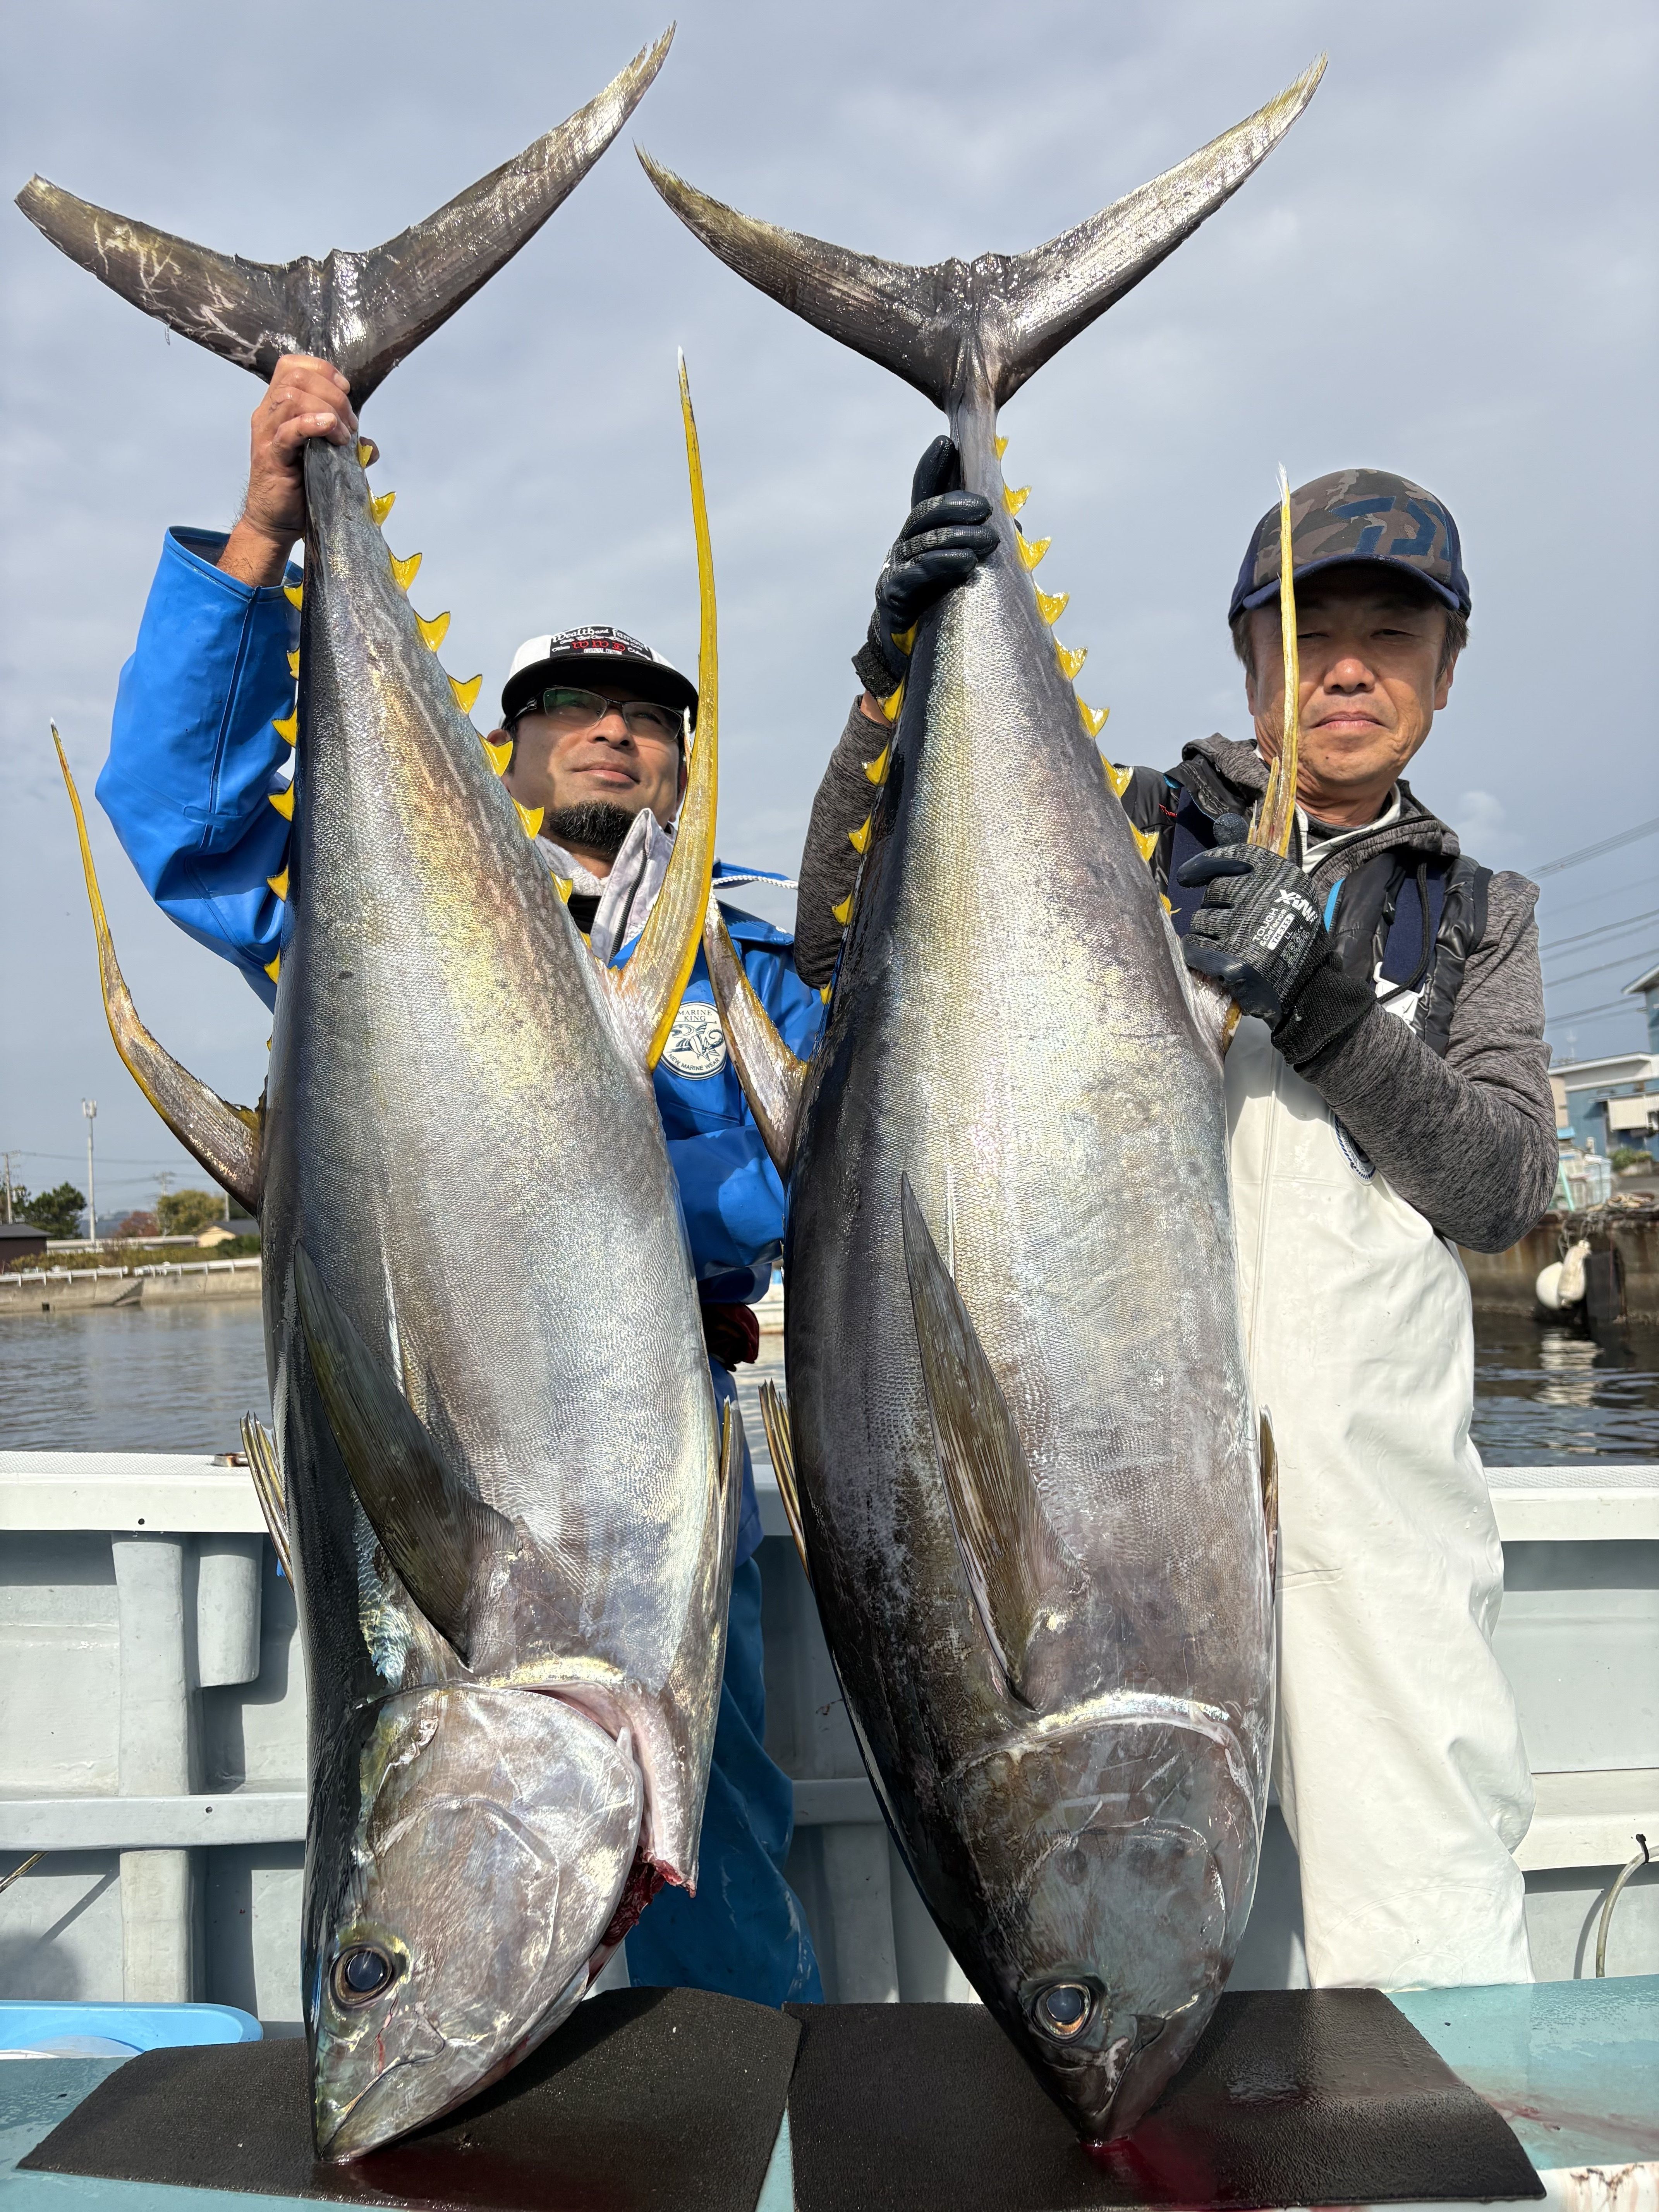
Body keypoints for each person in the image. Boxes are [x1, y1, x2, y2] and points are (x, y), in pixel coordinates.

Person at [97, 353, 824, 2006]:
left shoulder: (750, 965)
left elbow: (823, 1167)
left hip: (658, 1446)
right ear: (503, 749)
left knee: (700, 1809)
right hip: (441, 1427)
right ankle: (462, 2041)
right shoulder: (371, 925)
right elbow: (183, 819)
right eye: (568, 707)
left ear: (682, 760)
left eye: (648, 714)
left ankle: (734, 2080)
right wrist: (267, 529)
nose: (614, 730)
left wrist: (637, 1209)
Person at [794, 449, 1552, 1990]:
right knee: (1159, 1955)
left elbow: (1501, 1187)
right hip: (1110, 1517)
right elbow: (833, 943)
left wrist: (1322, 1003)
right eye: (1310, 635)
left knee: (1430, 1954)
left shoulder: (1478, 913)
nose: (1349, 671)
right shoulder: (1112, 828)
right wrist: (890, 685)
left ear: (1449, 666)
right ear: (1249, 655)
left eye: (1393, 637)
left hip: (1372, 1537)